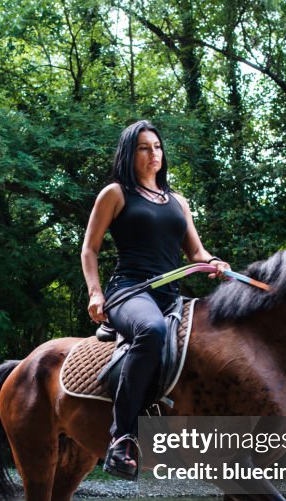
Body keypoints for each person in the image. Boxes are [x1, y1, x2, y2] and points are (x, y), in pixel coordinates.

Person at [81, 120, 231, 479]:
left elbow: (195, 250)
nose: (154, 154)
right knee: (150, 330)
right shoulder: (116, 194)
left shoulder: (178, 201)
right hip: (129, 291)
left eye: (158, 147)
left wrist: (214, 263)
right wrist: (95, 292)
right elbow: (89, 248)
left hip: (171, 295)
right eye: (145, 148)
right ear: (129, 154)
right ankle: (122, 439)